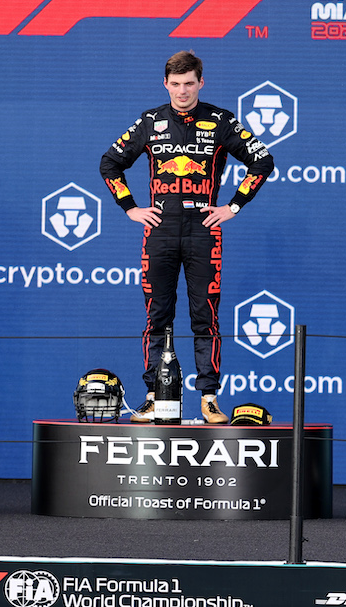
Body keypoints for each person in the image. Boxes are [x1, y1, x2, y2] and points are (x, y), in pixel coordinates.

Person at [100, 51, 273, 424]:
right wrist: (131, 207)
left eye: (189, 83)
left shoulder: (221, 120)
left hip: (203, 230)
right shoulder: (150, 121)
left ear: (201, 83)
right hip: (159, 230)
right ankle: (152, 396)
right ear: (166, 84)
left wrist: (234, 206)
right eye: (175, 84)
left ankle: (208, 397)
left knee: (204, 316)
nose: (182, 91)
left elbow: (262, 161)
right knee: (157, 316)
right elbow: (109, 162)